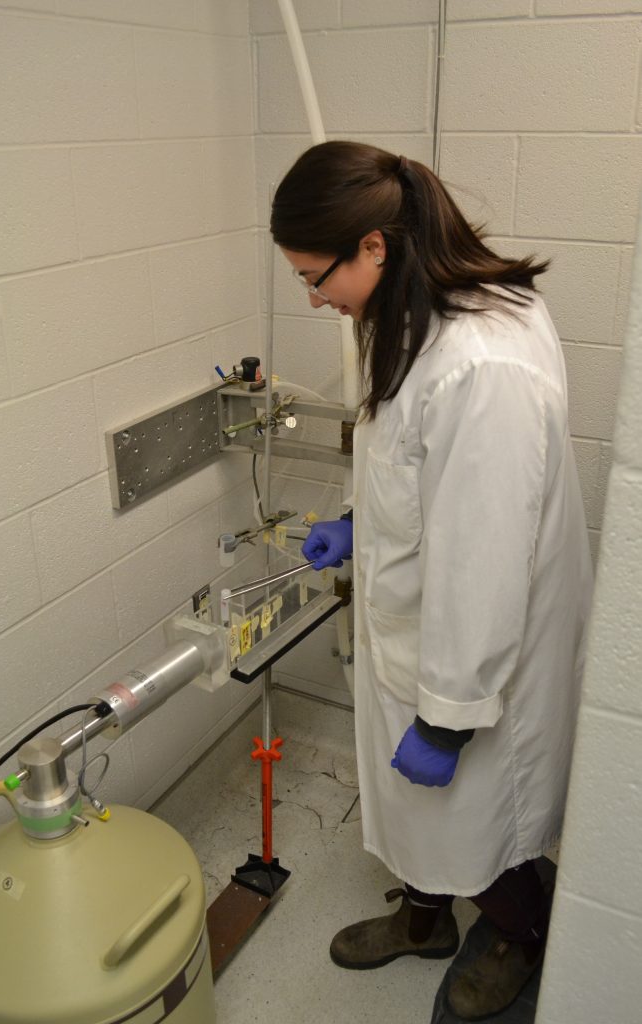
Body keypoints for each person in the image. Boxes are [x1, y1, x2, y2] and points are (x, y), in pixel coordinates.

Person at [270, 141, 593, 1020]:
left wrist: (449, 715)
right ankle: (424, 919)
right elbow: (409, 463)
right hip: (421, 627)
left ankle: (519, 933)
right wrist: (354, 520)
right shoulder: (412, 309)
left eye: (314, 275)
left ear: (373, 245)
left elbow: (482, 558)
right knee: (423, 814)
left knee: (482, 818)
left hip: (476, 653)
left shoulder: (481, 362)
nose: (312, 297)